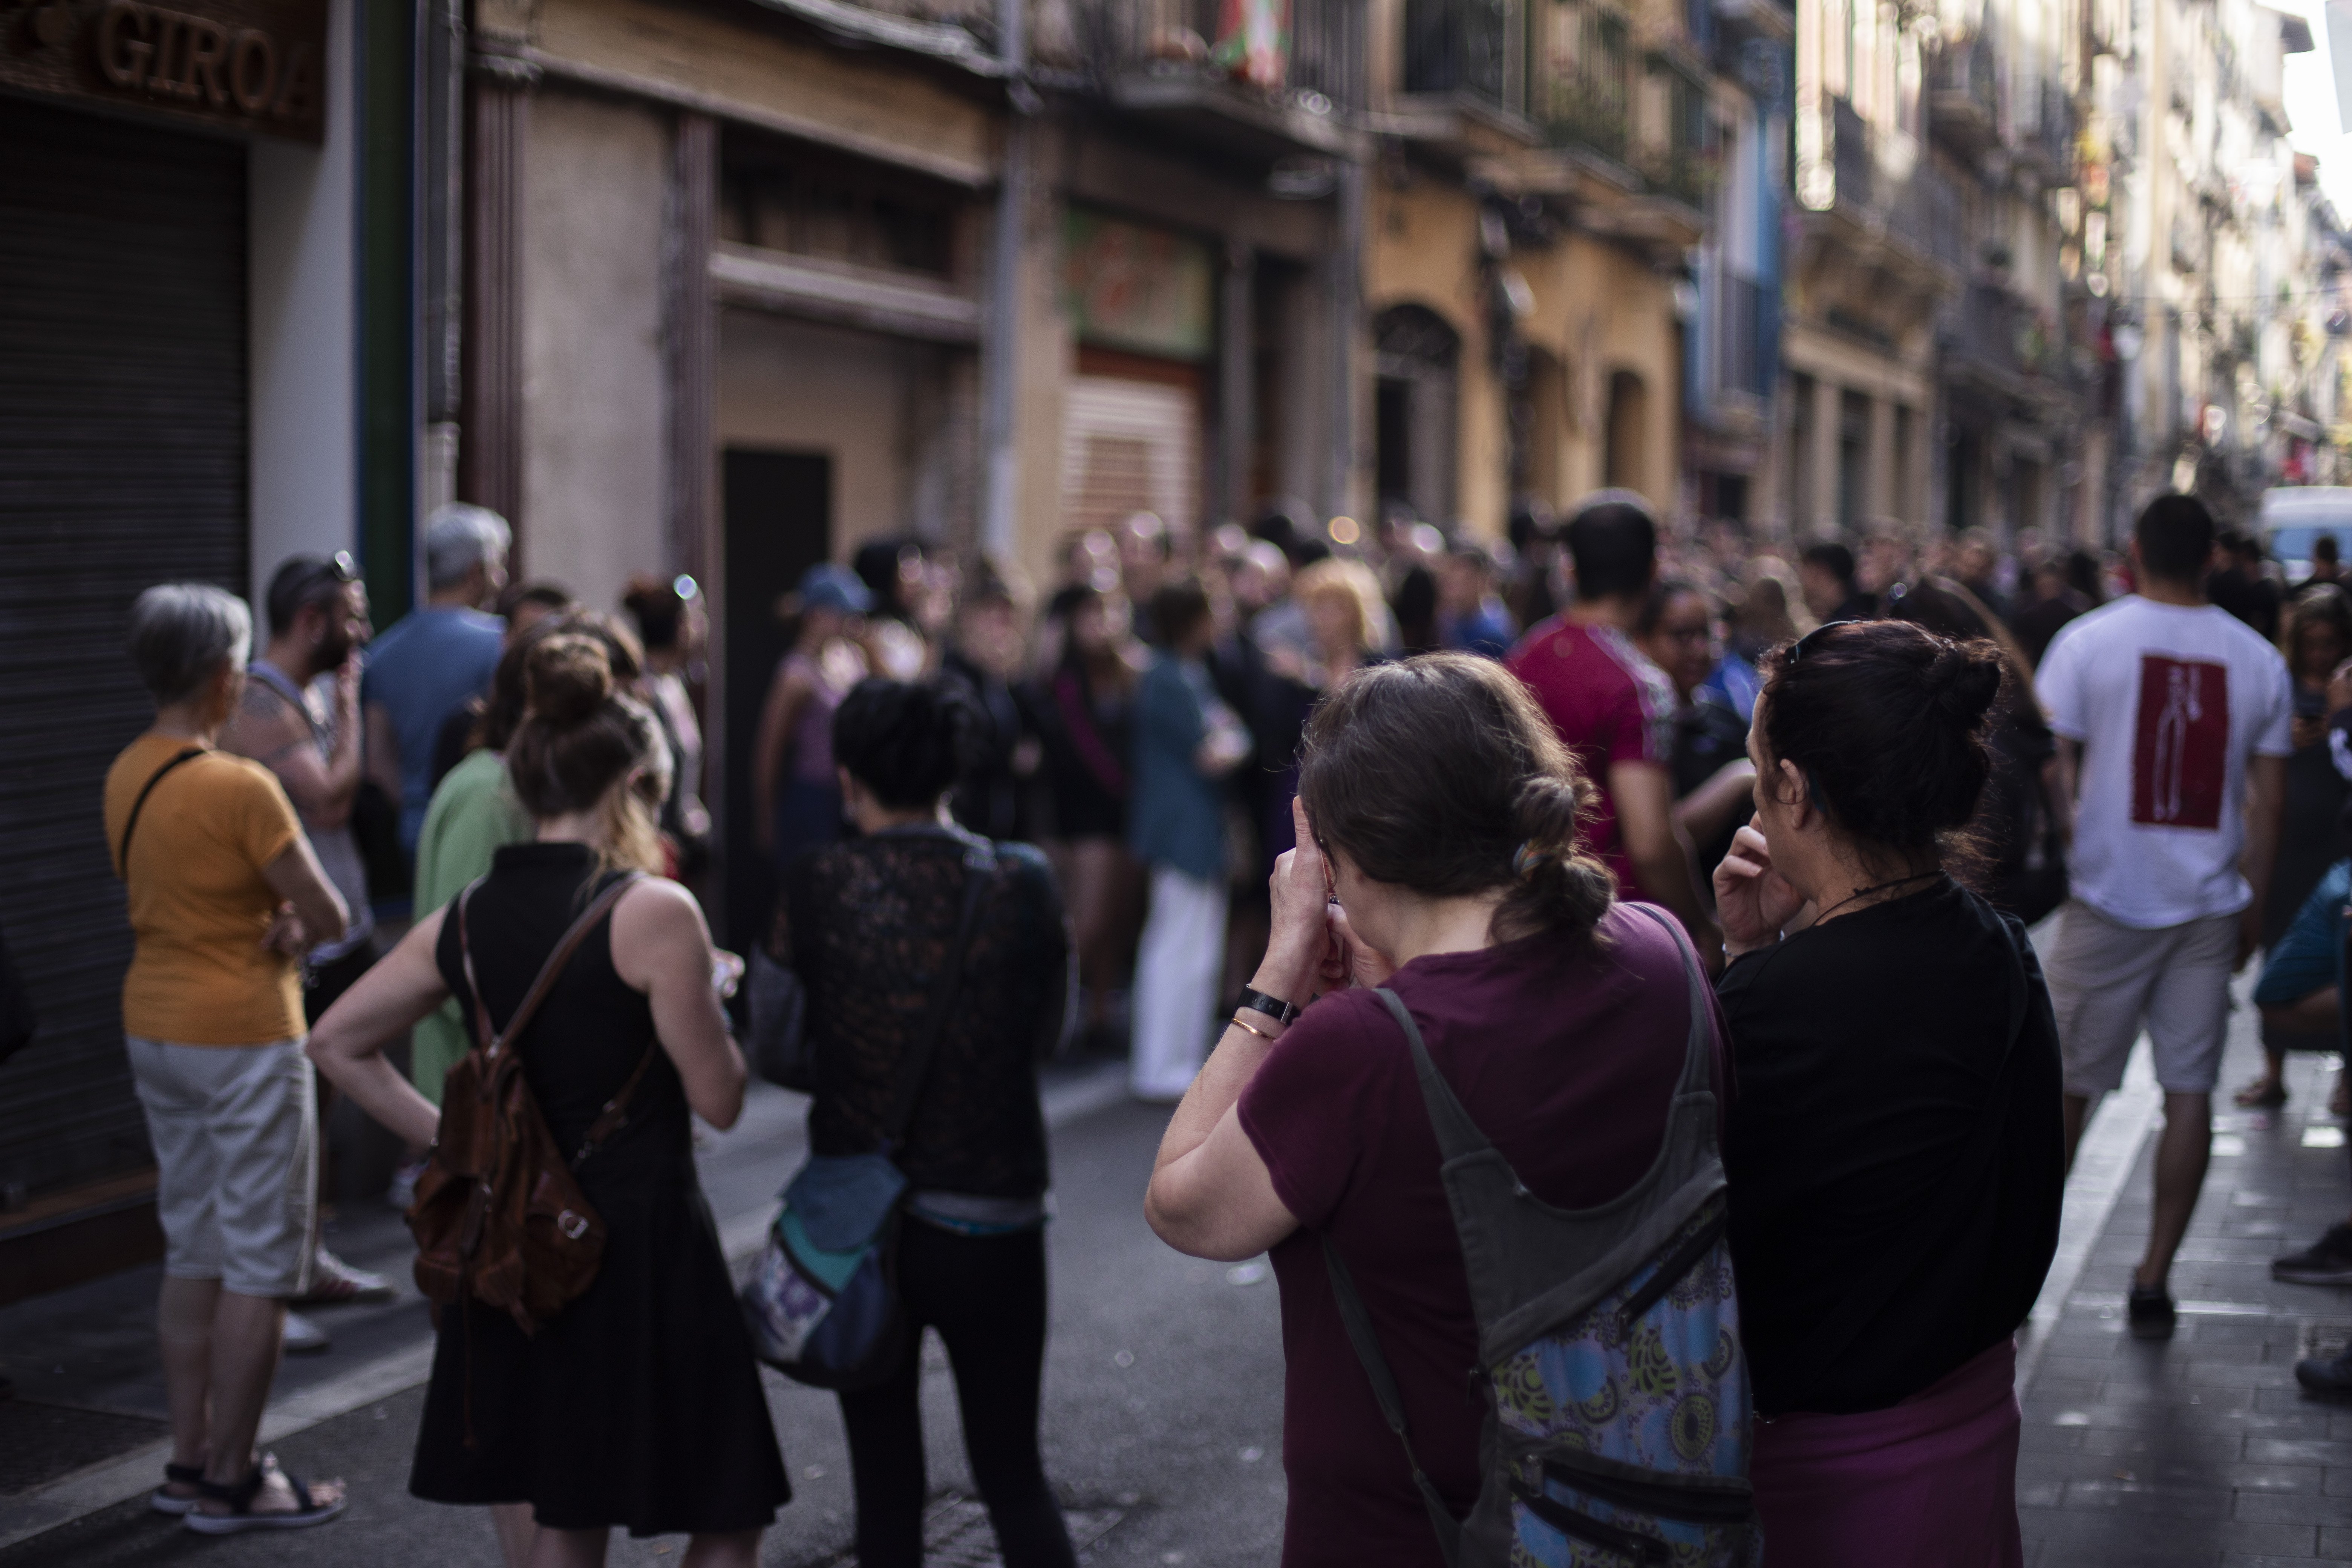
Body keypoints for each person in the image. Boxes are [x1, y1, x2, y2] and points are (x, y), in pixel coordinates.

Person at [1142, 652, 1719, 1567]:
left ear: (1340, 853)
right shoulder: (1664, 953)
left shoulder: (1359, 1050)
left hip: (1413, 1529)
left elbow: (1184, 1204)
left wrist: (1279, 974)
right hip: (1649, 1500)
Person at [306, 633, 787, 1566]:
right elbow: (722, 1098)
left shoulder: (466, 916)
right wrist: (712, 995)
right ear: (631, 785)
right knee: (729, 1508)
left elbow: (334, 1041)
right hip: (641, 1238)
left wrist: (460, 1144)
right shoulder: (655, 911)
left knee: (566, 1510)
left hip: (519, 1236)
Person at [776, 677, 1078, 1568]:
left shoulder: (816, 883)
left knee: (884, 1487)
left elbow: (774, 1041)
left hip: (858, 1225)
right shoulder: (1023, 878)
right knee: (1012, 1472)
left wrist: (852, 1065)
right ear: (954, 773)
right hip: (992, 1213)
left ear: (847, 776)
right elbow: (1050, 1032)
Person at [108, 584, 352, 1531]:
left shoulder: (126, 770)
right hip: (245, 1035)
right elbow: (330, 913)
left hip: (155, 1025)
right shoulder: (241, 787)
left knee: (195, 1244)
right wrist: (291, 922)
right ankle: (236, 1478)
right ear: (222, 677)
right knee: (260, 1261)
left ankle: (189, 1460)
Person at [2038, 493, 2293, 1338]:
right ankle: (2153, 1278)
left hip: (2108, 897)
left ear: (2135, 551)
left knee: (2068, 1091)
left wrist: (2076, 833)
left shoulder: (2088, 642)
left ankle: (2022, 1272)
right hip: (2209, 902)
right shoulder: (2257, 659)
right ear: (2212, 557)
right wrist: (2254, 905)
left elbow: (2051, 762)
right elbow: (2269, 806)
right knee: (2189, 1092)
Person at [217, 553, 393, 1321]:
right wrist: (351, 706)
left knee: (316, 1107)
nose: (365, 632)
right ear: (312, 621)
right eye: (353, 616)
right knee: (282, 1118)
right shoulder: (261, 703)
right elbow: (327, 802)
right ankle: (265, 1288)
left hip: (337, 932)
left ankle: (306, 1258)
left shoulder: (305, 694)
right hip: (294, 944)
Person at [1505, 492, 1721, 959]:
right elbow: (1651, 843)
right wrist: (1705, 929)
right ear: (1653, 571)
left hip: (1524, 909)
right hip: (1615, 926)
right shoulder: (1639, 684)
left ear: (1570, 570)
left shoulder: (1525, 655)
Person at [1128, 579, 1253, 1100]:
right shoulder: (1169, 676)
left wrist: (1233, 739)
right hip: (1182, 827)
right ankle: (1159, 1063)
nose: (1220, 620)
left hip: (1194, 825)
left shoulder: (1184, 672)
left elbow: (1230, 739)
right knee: (1177, 945)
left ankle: (1175, 1060)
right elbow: (1217, 749)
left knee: (1192, 948)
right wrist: (1233, 739)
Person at [1888, 577, 2072, 925]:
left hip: (1996, 922)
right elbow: (2063, 816)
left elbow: (1969, 881)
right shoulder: (2015, 707)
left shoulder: (1975, 742)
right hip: (2031, 909)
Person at [2231, 584, 2352, 1109]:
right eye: (2312, 643)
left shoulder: (2347, 689)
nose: (2321, 655)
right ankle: (2273, 1069)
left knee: (2340, 956)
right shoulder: (2278, 685)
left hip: (2336, 842)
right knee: (2277, 946)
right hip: (2287, 841)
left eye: (2331, 643)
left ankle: (2346, 1075)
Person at [1033, 585, 1147, 1048]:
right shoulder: (1064, 678)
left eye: (1111, 611)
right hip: (1084, 812)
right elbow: (1083, 747)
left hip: (1127, 813)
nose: (1104, 623)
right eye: (1092, 614)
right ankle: (1047, 1018)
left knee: (1118, 919)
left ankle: (1100, 1016)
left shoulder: (1131, 672)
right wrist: (1126, 783)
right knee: (1089, 921)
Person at [364, 504, 511, 857]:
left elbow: (378, 761)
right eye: (499, 564)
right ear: (477, 571)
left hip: (415, 830)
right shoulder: (502, 643)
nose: (503, 577)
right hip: (483, 825)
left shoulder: (382, 653)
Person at [753, 564, 874, 874]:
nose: (851, 620)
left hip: (847, 798)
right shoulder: (796, 674)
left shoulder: (849, 659)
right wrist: (766, 816)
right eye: (842, 613)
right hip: (812, 798)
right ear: (817, 615)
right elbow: (770, 749)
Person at [1635, 579, 1755, 884]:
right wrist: (1737, 780)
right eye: (1682, 636)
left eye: (1706, 634)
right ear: (1642, 641)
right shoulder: (1639, 726)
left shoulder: (1725, 715)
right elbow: (1655, 840)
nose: (1699, 650)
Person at [940, 564, 1042, 842]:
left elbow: (1037, 740)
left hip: (1005, 832)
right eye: (992, 616)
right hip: (965, 831)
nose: (1002, 628)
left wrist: (1016, 678)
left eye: (1010, 618)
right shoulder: (951, 677)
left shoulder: (1007, 681)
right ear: (967, 618)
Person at [621, 574, 712, 876]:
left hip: (679, 842)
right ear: (680, 627)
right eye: (697, 617)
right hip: (651, 846)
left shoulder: (674, 684)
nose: (704, 626)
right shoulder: (643, 692)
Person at [1438, 536, 1515, 658]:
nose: (1458, 587)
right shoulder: (1449, 618)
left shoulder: (1493, 632)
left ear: (1482, 580)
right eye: (1453, 580)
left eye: (1467, 580)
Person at [1798, 541, 1876, 624]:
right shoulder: (1845, 614)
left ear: (1822, 573)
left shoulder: (1847, 623)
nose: (1802, 578)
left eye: (1808, 569)